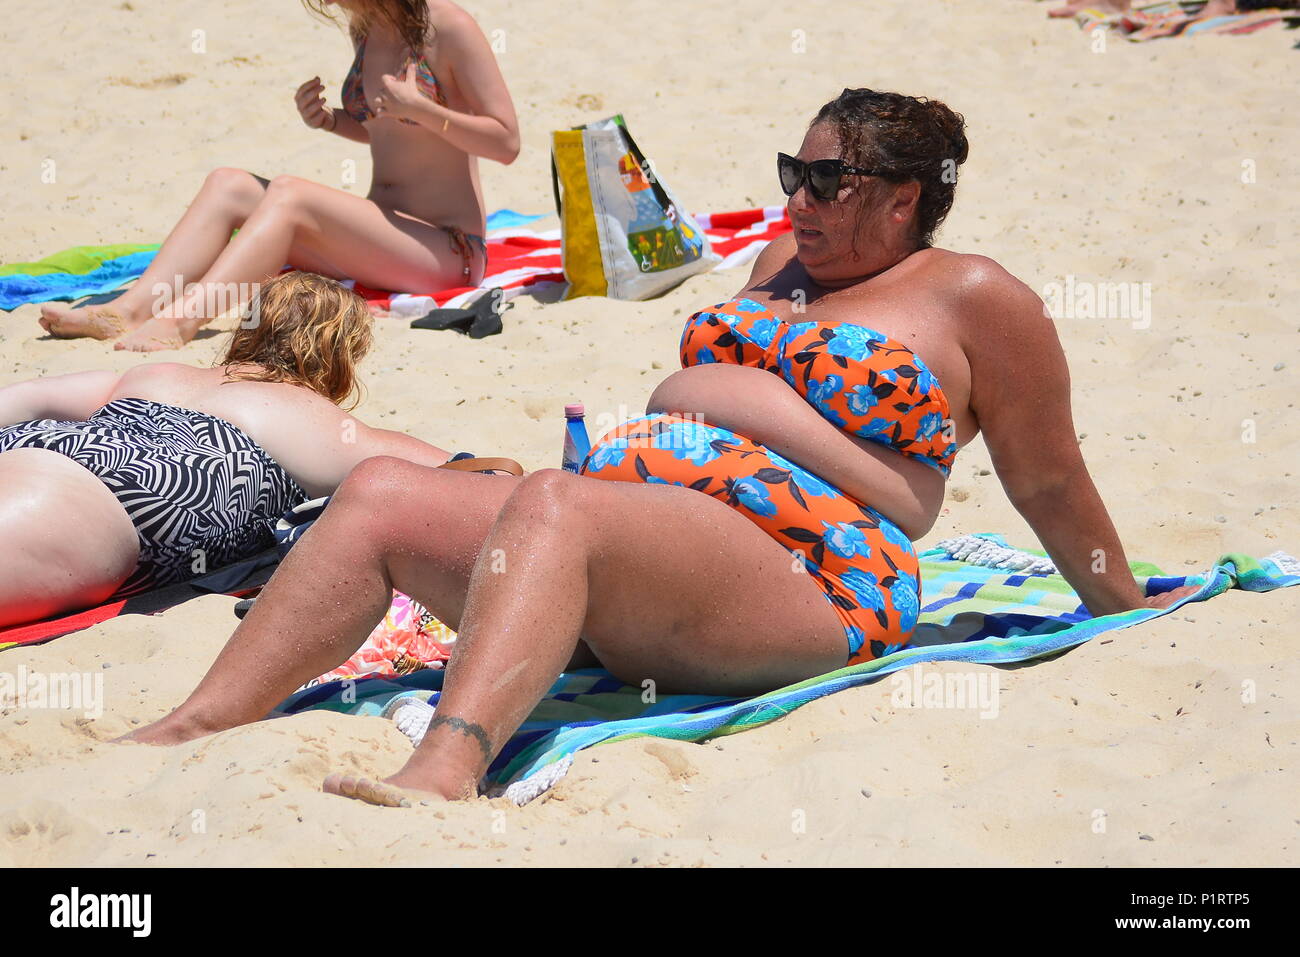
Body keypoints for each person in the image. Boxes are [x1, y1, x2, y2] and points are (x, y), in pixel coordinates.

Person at [124, 90, 1197, 805]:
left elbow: (1045, 473)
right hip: (652, 555)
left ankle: (446, 771)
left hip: (812, 577)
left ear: (904, 198)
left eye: (824, 182)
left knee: (555, 505)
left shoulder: (974, 298)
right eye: (792, 171)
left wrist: (1119, 601)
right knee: (385, 492)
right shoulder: (779, 258)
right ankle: (192, 725)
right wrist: (703, 399)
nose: (794, 201)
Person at [37, 0, 519, 352]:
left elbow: (507, 143)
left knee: (288, 194)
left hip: (446, 249)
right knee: (230, 183)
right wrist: (332, 120)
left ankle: (183, 322)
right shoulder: (367, 27)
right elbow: (391, 133)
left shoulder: (449, 28)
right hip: (382, 229)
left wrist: (422, 109)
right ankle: (129, 309)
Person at [1, 272, 461, 627]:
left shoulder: (158, 374)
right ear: (343, 356)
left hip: (43, 447)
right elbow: (476, 475)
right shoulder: (325, 428)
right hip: (118, 501)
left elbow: (24, 397)